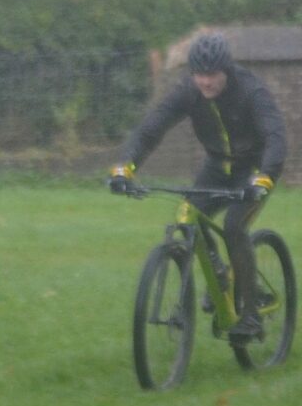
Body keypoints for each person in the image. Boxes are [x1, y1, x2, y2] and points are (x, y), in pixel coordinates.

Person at [110, 33, 288, 342]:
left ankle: (249, 316)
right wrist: (126, 166)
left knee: (234, 226)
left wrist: (265, 178)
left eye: (212, 75)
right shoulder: (188, 92)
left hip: (254, 169)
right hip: (217, 166)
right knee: (187, 213)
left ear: (226, 70)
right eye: (199, 74)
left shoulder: (250, 91)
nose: (205, 82)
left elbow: (275, 136)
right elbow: (151, 129)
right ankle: (219, 273)